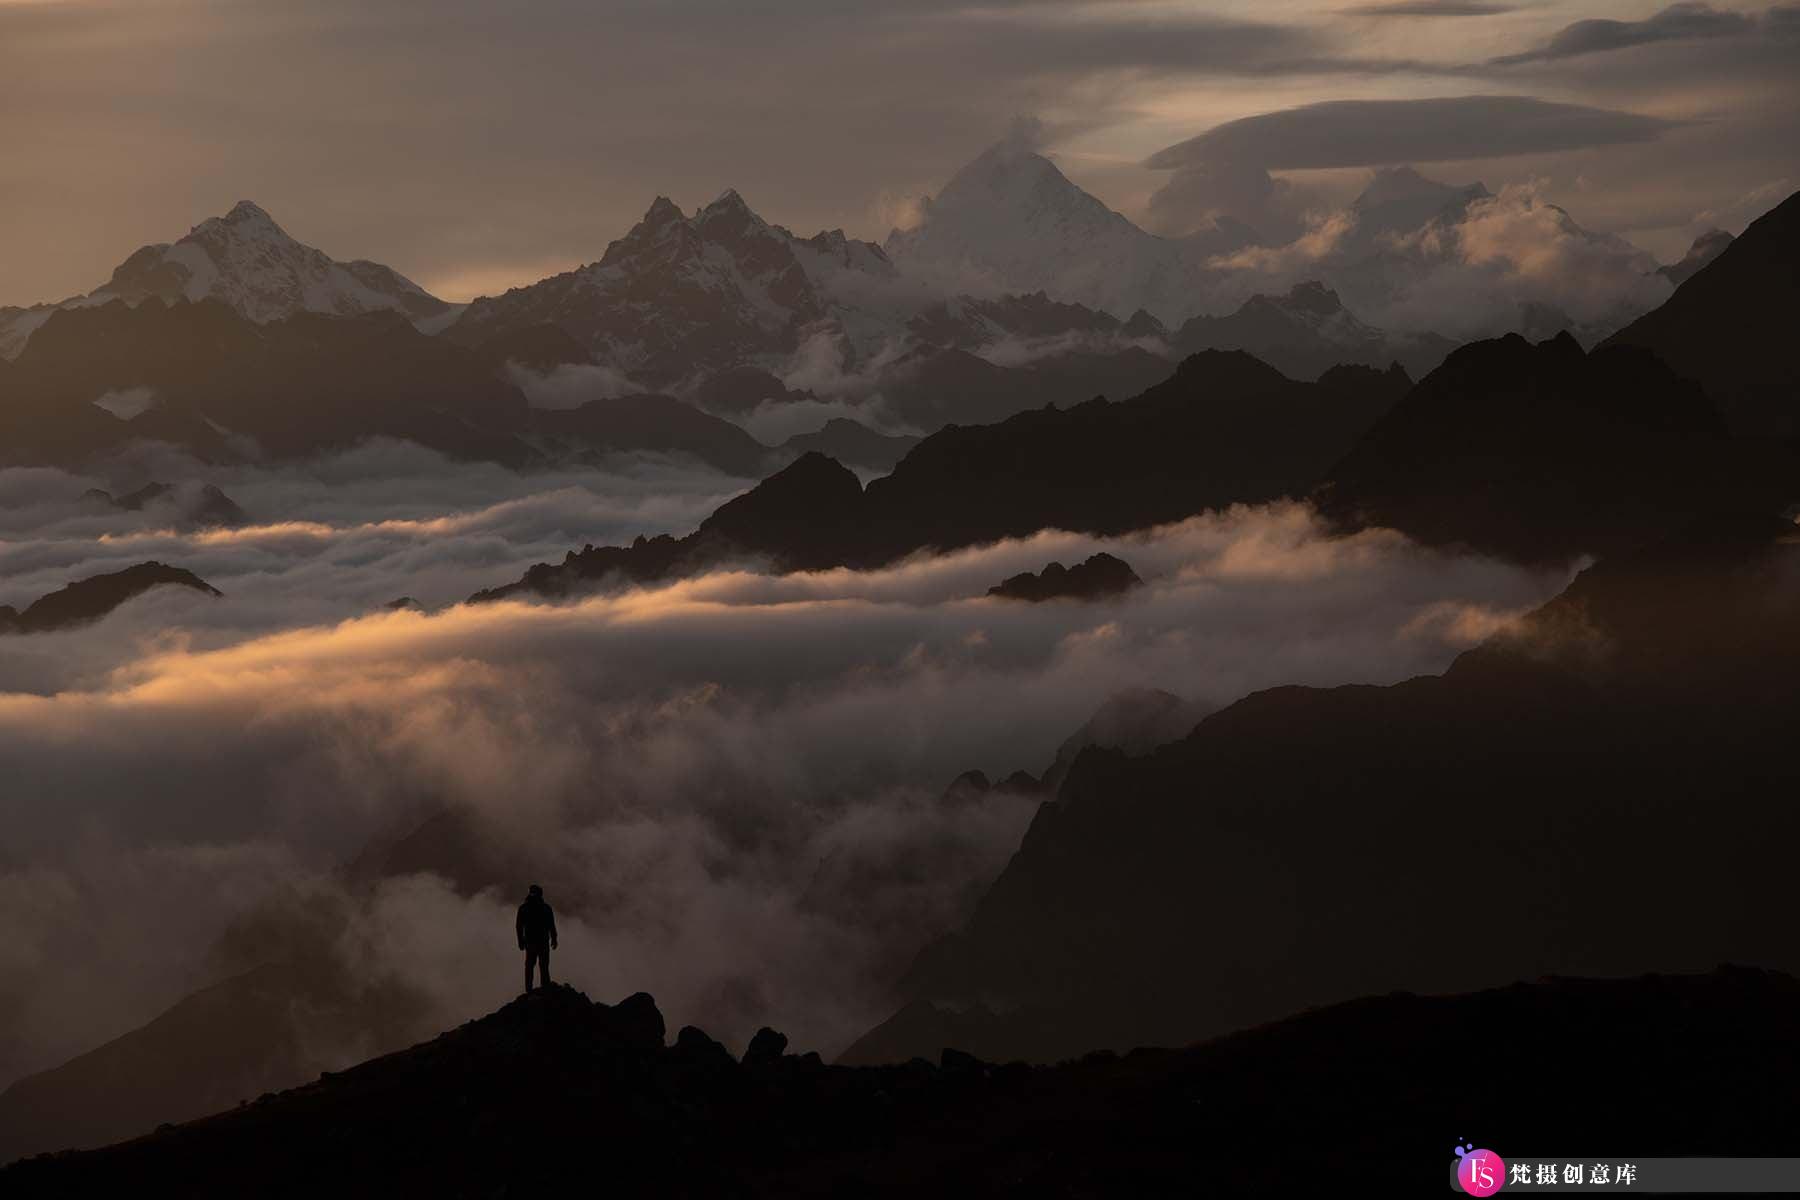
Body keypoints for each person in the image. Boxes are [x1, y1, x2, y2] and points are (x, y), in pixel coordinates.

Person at [516, 883, 558, 992]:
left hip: (533, 941)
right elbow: (551, 925)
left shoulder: (525, 908)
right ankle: (543, 988)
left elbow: (519, 926)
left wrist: (520, 941)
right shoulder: (545, 908)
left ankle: (531, 990)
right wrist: (554, 938)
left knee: (532, 966)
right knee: (541, 966)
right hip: (539, 941)